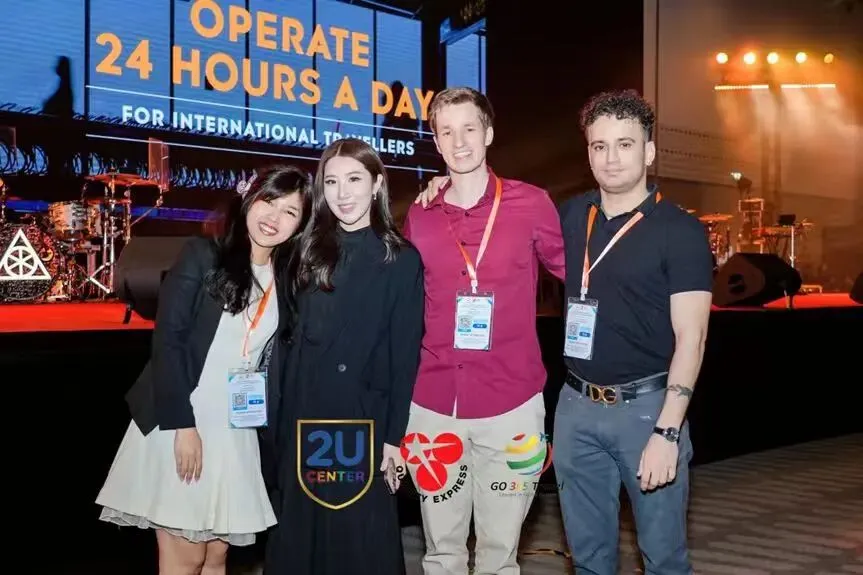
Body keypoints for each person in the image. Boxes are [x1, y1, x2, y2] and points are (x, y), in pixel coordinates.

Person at [96, 165, 312, 575]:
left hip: (236, 430)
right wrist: (183, 426)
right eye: (269, 201)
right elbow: (169, 341)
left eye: (290, 211)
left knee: (216, 558)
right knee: (187, 557)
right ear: (248, 198)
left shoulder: (284, 279)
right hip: (183, 420)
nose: (274, 217)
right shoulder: (204, 255)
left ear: (300, 225)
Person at [403, 86, 565, 575]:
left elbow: (579, 274)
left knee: (500, 555)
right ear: (436, 141)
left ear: (489, 133)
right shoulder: (420, 214)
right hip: (433, 408)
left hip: (512, 406)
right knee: (441, 554)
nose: (459, 142)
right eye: (447, 132)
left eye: (469, 128)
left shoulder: (531, 203)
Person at [554, 89, 713, 574]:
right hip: (576, 409)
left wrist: (668, 430)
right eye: (599, 145)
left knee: (664, 560)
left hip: (646, 412)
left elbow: (692, 338)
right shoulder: (570, 215)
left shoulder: (680, 231)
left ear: (648, 152)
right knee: (588, 559)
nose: (611, 157)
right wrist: (443, 185)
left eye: (625, 144)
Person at [261, 138, 425, 575]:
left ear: (376, 184)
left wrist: (394, 438)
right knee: (302, 542)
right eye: (331, 182)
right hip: (303, 417)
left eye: (354, 179)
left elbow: (404, 354)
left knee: (359, 545)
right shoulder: (300, 250)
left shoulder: (401, 259)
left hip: (361, 422)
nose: (342, 193)